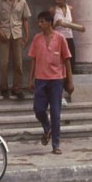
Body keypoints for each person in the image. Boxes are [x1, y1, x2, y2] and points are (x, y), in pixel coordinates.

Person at [27, 10, 73, 154]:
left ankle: (56, 144)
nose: (40, 24)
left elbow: (67, 60)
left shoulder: (60, 38)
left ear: (49, 23)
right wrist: (31, 79)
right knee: (39, 109)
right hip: (41, 79)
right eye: (39, 22)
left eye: (42, 21)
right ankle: (47, 128)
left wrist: (70, 81)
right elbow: (33, 60)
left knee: (55, 112)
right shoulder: (37, 39)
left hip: (56, 80)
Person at [0, 0, 32, 99]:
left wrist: (27, 35)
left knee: (18, 63)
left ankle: (17, 88)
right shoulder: (0, 1)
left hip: (17, 34)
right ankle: (4, 87)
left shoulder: (22, 2)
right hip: (4, 34)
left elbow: (25, 20)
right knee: (4, 63)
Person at [50, 0, 84, 102]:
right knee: (59, 65)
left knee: (70, 63)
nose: (57, 1)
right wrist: (57, 24)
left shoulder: (69, 8)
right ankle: (60, 93)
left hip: (69, 38)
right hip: (58, 39)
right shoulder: (53, 10)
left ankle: (68, 88)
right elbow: (49, 27)